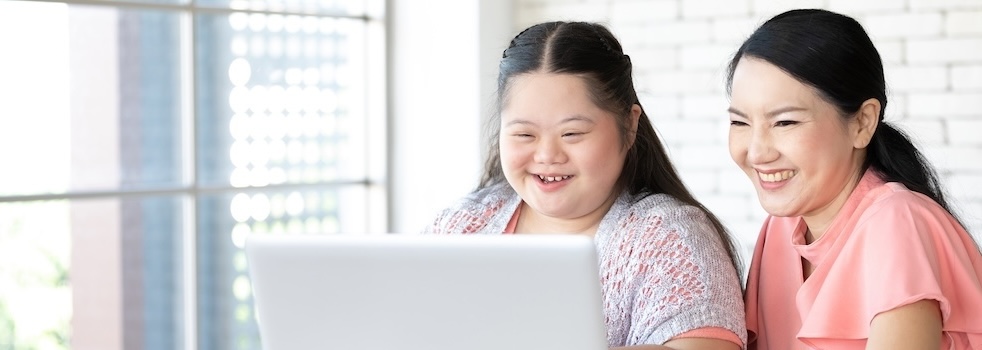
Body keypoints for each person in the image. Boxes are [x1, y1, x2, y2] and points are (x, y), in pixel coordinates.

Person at [424, 21, 746, 350]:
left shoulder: (670, 237)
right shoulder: (461, 226)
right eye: (524, 134)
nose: (547, 155)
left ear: (629, 125)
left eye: (572, 134)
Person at [726, 9, 982, 350]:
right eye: (740, 123)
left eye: (784, 122)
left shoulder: (896, 221)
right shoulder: (780, 228)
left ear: (862, 122)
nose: (757, 152)